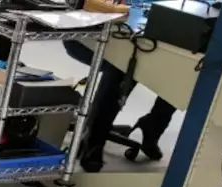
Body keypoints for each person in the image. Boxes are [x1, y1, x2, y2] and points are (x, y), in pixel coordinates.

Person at [64, 39, 175, 172]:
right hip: (89, 39)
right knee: (121, 66)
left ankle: (153, 126)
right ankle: (94, 140)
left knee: (180, 71)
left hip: (145, 43)